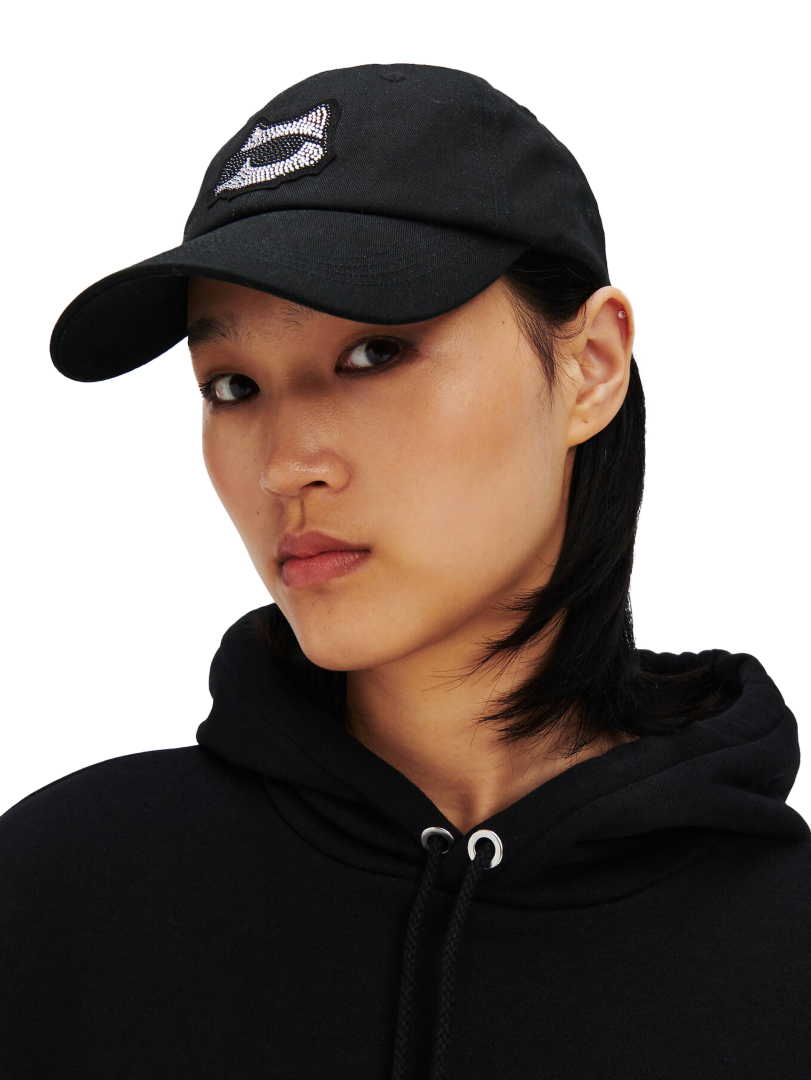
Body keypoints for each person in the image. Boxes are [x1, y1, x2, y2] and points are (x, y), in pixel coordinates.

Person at [2, 63, 809, 1080]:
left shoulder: (785, 953)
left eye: (375, 354)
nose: (285, 463)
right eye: (232, 385)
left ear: (590, 367)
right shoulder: (61, 894)